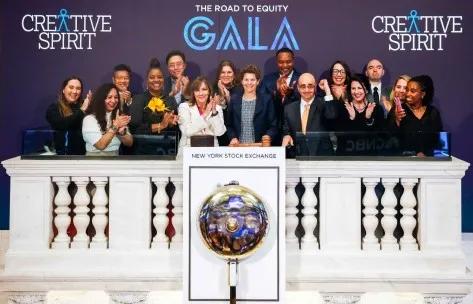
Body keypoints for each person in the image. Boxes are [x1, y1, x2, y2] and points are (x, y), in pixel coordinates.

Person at [281, 73, 337, 156]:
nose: (306, 90)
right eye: (303, 86)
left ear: (315, 87)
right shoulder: (289, 108)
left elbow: (332, 116)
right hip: (298, 158)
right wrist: (286, 136)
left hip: (322, 158)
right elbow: (286, 130)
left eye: (310, 86)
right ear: (298, 88)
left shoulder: (323, 104)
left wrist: (327, 91)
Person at [227, 64, 278, 145]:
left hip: (260, 148)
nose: (249, 83)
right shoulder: (234, 100)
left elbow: (273, 126)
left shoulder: (266, 100)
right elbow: (229, 125)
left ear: (258, 82)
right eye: (246, 80)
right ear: (242, 81)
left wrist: (268, 136)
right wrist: (233, 137)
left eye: (252, 80)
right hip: (239, 148)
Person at [393, 75, 443, 156]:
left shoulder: (433, 112)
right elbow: (390, 139)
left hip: (428, 161)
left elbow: (437, 140)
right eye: (407, 90)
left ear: (422, 94)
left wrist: (425, 153)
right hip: (404, 160)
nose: (408, 93)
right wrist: (397, 120)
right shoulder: (398, 110)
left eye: (412, 91)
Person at [260, 48, 301, 144]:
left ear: (293, 61)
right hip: (271, 132)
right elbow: (262, 104)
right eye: (281, 62)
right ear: (277, 62)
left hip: (294, 130)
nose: (285, 65)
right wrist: (277, 93)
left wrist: (291, 95)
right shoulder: (267, 80)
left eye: (288, 62)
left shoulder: (301, 79)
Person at [129, 58, 178, 135]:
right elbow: (134, 129)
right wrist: (161, 125)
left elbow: (176, 130)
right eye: (152, 77)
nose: (156, 80)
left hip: (167, 144)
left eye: (159, 77)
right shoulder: (138, 99)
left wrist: (172, 123)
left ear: (163, 79)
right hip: (144, 144)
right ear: (147, 80)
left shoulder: (170, 100)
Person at [82, 83, 133, 156]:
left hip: (116, 159)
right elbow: (101, 145)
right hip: (95, 160)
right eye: (109, 97)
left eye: (116, 97)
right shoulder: (89, 119)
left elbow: (129, 143)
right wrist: (115, 127)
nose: (113, 101)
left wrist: (122, 133)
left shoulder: (118, 116)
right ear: (101, 98)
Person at [46, 76, 91, 155]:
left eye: (78, 88)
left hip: (84, 156)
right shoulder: (54, 108)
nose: (74, 91)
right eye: (71, 87)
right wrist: (82, 110)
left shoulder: (85, 106)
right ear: (63, 89)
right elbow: (60, 125)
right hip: (63, 156)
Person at [178, 77, 226, 149]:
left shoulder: (217, 108)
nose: (201, 93)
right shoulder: (184, 107)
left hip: (211, 151)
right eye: (197, 90)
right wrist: (205, 113)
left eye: (204, 89)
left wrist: (214, 112)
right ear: (193, 93)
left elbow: (219, 132)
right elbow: (187, 131)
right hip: (189, 150)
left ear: (209, 91)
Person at [213, 60, 241, 146]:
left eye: (229, 72)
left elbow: (239, 114)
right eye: (223, 72)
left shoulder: (240, 90)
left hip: (236, 134)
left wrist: (229, 99)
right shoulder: (212, 90)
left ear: (234, 74)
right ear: (219, 74)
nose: (226, 75)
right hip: (218, 134)